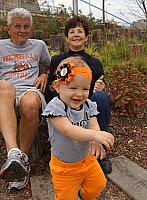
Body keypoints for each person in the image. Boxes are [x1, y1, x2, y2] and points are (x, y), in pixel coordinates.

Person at [0, 8, 50, 190]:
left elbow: (53, 66)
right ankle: (13, 154)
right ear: (8, 28)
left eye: (26, 26)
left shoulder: (39, 45)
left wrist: (45, 74)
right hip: (3, 95)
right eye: (17, 26)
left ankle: (20, 162)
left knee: (31, 102)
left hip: (29, 92)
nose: (22, 30)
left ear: (31, 29)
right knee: (6, 86)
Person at [46, 16, 112, 174]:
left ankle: (99, 149)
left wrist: (100, 88)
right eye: (72, 31)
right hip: (64, 106)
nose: (76, 34)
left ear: (86, 37)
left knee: (102, 97)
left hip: (88, 105)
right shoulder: (57, 61)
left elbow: (101, 85)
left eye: (80, 31)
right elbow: (50, 88)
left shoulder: (95, 63)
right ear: (66, 37)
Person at [42, 56, 114, 200]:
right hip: (64, 168)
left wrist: (96, 138)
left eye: (85, 89)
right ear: (58, 87)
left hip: (86, 160)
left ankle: (83, 195)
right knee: (65, 197)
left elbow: (92, 122)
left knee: (99, 184)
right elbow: (68, 129)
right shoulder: (56, 108)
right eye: (73, 88)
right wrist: (93, 136)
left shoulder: (87, 104)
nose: (80, 93)